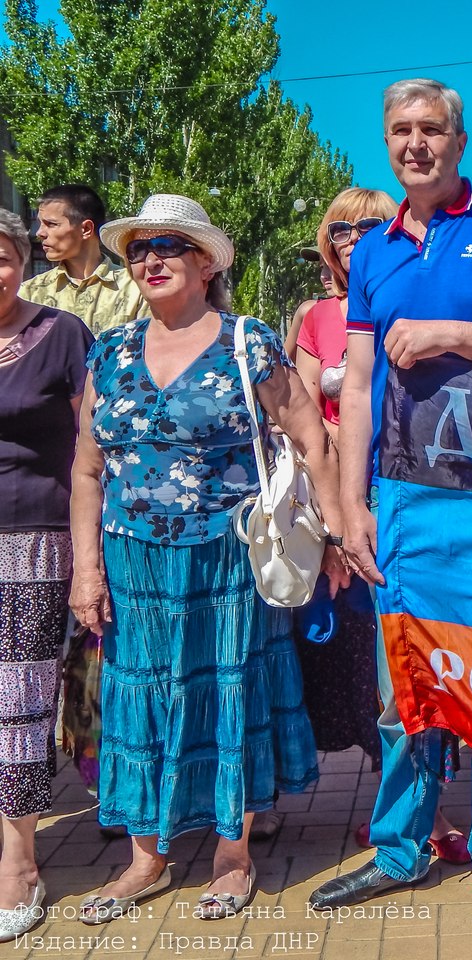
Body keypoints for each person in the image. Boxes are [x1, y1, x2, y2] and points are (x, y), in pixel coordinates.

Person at [314, 79, 472, 948]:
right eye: (400, 130)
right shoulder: (375, 250)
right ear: (385, 143)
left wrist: (450, 334)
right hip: (402, 500)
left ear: (459, 141)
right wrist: (351, 508)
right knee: (405, 691)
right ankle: (400, 848)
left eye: (431, 129)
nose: (415, 143)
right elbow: (355, 388)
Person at [68, 193, 345, 923]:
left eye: (167, 246)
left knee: (227, 696)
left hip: (229, 559)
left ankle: (232, 855)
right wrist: (87, 569)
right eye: (137, 250)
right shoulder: (110, 352)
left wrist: (340, 531)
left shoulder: (247, 342)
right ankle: (145, 860)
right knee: (141, 704)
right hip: (134, 565)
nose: (150, 259)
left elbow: (311, 440)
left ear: (203, 261)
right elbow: (88, 470)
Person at [292, 187, 468, 862]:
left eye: (372, 225)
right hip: (348, 509)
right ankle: (398, 806)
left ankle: (433, 807)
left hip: (415, 503)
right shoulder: (316, 319)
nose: (357, 237)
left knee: (418, 663)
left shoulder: (416, 299)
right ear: (327, 241)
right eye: (342, 228)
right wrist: (335, 523)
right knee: (370, 672)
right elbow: (305, 428)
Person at [0, 208, 94, 941]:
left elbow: (92, 446)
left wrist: (90, 554)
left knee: (20, 700)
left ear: (23, 261)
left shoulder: (60, 333)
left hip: (31, 537)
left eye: (2, 256)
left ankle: (21, 861)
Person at [20, 185, 146, 334]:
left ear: (86, 229)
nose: (40, 233)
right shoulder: (29, 293)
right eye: (41, 224)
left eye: (51, 224)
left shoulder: (136, 288)